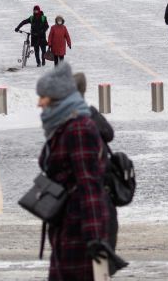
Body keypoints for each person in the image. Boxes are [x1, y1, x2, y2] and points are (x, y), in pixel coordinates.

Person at [35, 63, 112, 281]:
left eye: (44, 97)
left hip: (80, 233)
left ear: (58, 99)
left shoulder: (79, 129)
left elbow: (90, 186)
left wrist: (95, 239)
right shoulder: (64, 126)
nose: (39, 102)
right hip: (65, 228)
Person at [73, 72, 119, 250]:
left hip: (77, 214)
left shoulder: (67, 124)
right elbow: (109, 133)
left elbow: (46, 162)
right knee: (100, 269)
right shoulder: (92, 119)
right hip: (102, 209)